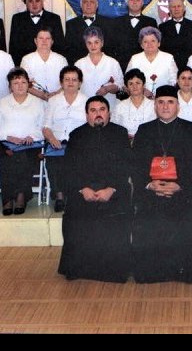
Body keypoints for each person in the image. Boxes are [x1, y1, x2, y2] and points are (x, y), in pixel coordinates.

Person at [131, 85, 192, 283]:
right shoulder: (144, 130)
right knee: (147, 220)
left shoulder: (191, 129)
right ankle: (151, 274)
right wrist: (150, 185)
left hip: (182, 194)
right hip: (151, 194)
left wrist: (180, 186)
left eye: (170, 102)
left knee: (184, 219)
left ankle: (182, 272)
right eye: (161, 102)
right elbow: (136, 165)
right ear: (155, 106)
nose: (165, 106)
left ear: (178, 106)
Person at [57, 95, 133, 283]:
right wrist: (82, 189)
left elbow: (126, 166)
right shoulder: (77, 135)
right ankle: (80, 269)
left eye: (102, 110)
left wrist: (111, 189)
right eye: (93, 110)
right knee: (75, 217)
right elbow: (68, 168)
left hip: (113, 191)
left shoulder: (120, 133)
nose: (98, 114)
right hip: (84, 191)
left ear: (109, 113)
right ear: (86, 115)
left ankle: (112, 271)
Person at [0, 67, 46, 215]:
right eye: (16, 83)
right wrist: (9, 137)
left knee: (23, 156)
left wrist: (31, 137)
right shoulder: (0, 103)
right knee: (9, 156)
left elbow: (43, 127)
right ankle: (8, 199)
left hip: (31, 144)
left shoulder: (38, 103)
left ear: (28, 84)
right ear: (10, 86)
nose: (20, 86)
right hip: (5, 143)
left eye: (23, 82)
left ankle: (20, 196)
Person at [42, 66, 88, 212]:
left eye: (74, 80)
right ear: (61, 82)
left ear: (80, 83)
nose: (70, 82)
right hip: (57, 142)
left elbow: (90, 125)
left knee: (77, 161)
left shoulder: (87, 101)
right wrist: (52, 139)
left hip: (80, 143)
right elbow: (46, 126)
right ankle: (60, 197)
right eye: (67, 79)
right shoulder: (53, 101)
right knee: (55, 162)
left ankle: (75, 196)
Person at [9, 0, 65, 66]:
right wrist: (17, 68)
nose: (34, 4)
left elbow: (60, 45)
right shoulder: (17, 19)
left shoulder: (54, 18)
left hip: (49, 63)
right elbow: (13, 47)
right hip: (25, 64)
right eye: (30, 1)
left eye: (37, 1)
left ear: (42, 2)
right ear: (26, 3)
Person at [74, 26, 124, 110]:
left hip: (109, 108)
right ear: (86, 44)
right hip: (85, 108)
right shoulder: (79, 64)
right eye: (89, 43)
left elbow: (120, 86)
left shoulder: (113, 63)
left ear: (102, 43)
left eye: (96, 42)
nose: (93, 46)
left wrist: (107, 89)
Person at [107, 0, 158, 71]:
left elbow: (155, 46)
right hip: (121, 66)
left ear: (142, 3)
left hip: (144, 65)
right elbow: (111, 45)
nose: (134, 2)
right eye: (132, 0)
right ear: (127, 3)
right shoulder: (116, 22)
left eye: (137, 0)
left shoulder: (151, 22)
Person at [126, 26, 178, 96]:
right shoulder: (134, 59)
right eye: (145, 41)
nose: (149, 44)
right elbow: (126, 83)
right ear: (141, 45)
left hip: (163, 99)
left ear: (159, 43)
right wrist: (142, 91)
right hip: (140, 99)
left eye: (153, 41)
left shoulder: (168, 58)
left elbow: (175, 82)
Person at [21, 27, 68, 101]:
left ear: (52, 41)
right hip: (34, 101)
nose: (44, 41)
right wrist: (41, 95)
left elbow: (67, 82)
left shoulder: (61, 60)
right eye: (41, 38)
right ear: (35, 41)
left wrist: (55, 94)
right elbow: (23, 82)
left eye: (47, 38)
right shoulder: (26, 59)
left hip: (58, 100)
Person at [64, 0, 112, 64]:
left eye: (92, 2)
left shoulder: (108, 23)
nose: (88, 4)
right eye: (85, 2)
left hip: (102, 64)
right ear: (81, 5)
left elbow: (110, 47)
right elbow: (68, 49)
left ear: (97, 5)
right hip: (78, 65)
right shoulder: (70, 24)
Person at [157, 0, 192, 70]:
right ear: (169, 9)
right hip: (169, 66)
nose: (176, 9)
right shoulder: (162, 27)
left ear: (184, 8)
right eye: (173, 7)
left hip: (190, 66)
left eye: (179, 6)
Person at [111, 68, 156, 139]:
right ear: (127, 87)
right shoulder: (119, 107)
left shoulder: (154, 106)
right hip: (125, 143)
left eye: (138, 83)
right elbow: (114, 129)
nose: (134, 86)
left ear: (143, 85)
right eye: (131, 84)